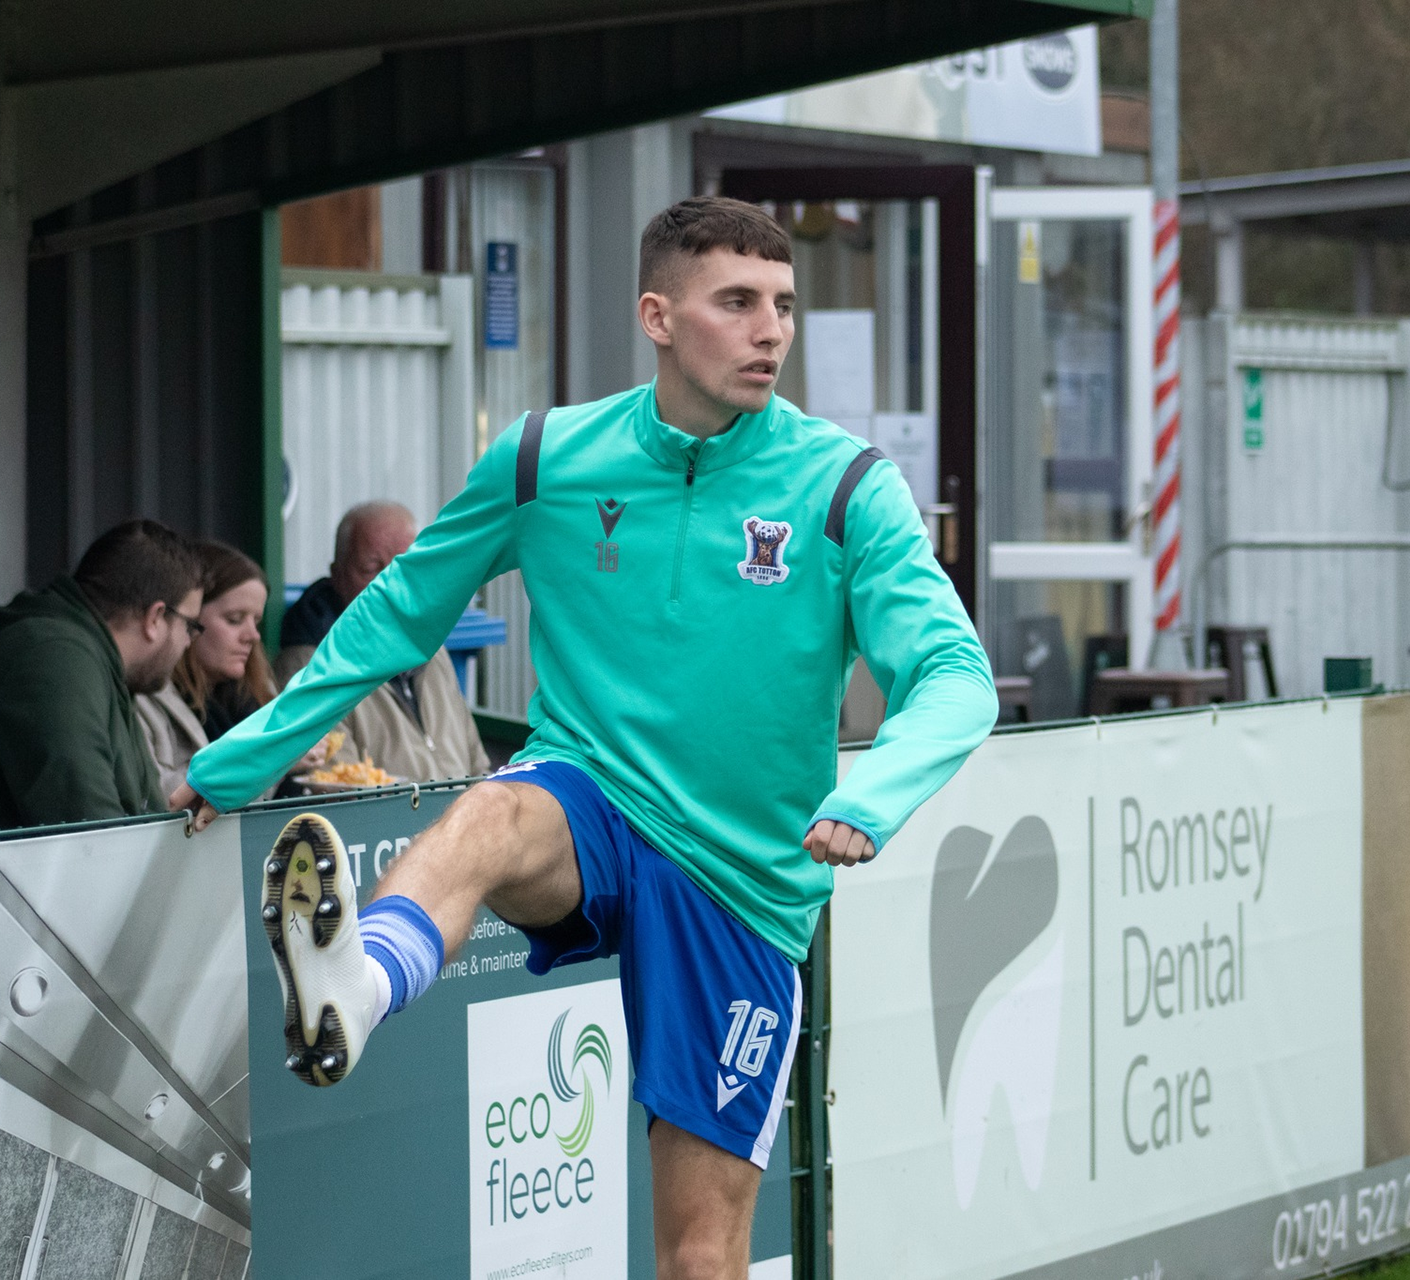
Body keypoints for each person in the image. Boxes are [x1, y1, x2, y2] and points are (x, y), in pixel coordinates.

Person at [172, 196, 997, 1277]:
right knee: (496, 807)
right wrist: (239, 758)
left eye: (784, 306)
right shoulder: (543, 458)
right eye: (738, 302)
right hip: (595, 794)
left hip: (744, 883)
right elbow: (395, 612)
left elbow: (955, 674)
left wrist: (872, 791)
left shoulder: (845, 488)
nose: (771, 330)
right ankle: (355, 984)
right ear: (658, 316)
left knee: (700, 1254)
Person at [0, 517, 202, 841]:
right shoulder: (56, 660)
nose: (188, 642)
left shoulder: (93, 661)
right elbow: (93, 839)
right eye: (190, 626)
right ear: (155, 618)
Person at [276, 501, 490, 783]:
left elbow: (478, 764)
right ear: (337, 575)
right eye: (371, 568)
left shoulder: (434, 651)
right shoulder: (309, 668)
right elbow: (342, 790)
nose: (390, 584)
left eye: (405, 565)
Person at [135, 539, 281, 796]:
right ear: (189, 619)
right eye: (234, 619)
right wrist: (274, 762)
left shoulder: (259, 693)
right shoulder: (146, 695)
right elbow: (160, 798)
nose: (253, 636)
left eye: (256, 621)